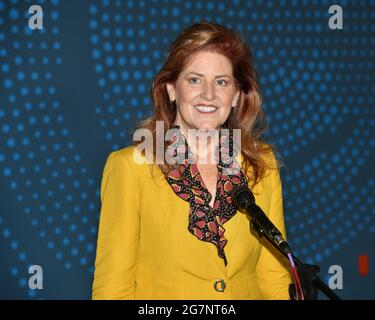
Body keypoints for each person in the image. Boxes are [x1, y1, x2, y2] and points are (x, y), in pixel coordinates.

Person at [92, 21, 291, 300]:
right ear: (172, 89)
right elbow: (112, 289)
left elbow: (274, 278)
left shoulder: (262, 164)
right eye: (194, 79)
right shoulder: (130, 167)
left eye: (221, 82)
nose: (208, 94)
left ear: (236, 95)